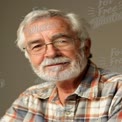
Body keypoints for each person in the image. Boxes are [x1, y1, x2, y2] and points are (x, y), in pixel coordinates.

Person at [1, 8, 122, 122]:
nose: (51, 53)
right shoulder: (30, 98)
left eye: (61, 41)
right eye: (37, 46)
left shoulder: (117, 90)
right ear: (28, 55)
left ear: (85, 46)